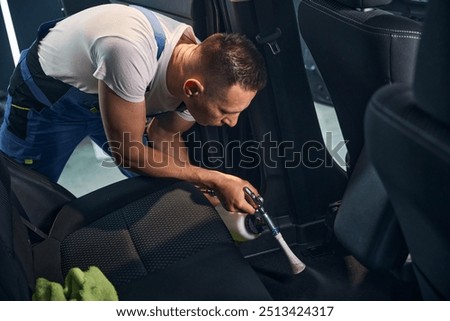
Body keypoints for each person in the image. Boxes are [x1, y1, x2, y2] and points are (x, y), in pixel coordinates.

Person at [0, 4, 267, 214]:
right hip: (49, 99)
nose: (232, 122)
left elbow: (165, 134)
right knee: (22, 194)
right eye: (225, 111)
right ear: (191, 89)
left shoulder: (199, 71)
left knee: (169, 182)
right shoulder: (129, 51)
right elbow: (127, 153)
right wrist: (213, 179)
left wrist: (199, 190)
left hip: (118, 97)